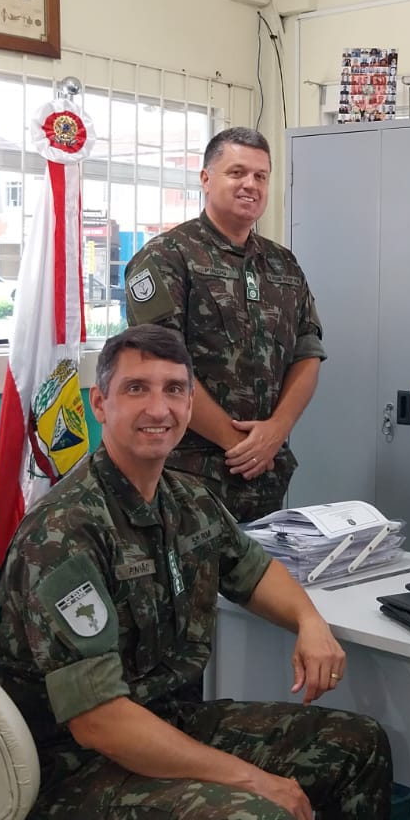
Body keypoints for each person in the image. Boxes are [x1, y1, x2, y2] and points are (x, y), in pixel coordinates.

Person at [0, 325, 392, 820]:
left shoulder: (186, 498)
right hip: (69, 777)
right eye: (137, 389)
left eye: (175, 389)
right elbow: (101, 720)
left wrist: (310, 621)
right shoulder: (64, 535)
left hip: (160, 724)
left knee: (356, 747)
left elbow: (255, 572)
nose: (160, 408)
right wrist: (251, 778)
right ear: (100, 404)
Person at [122, 127, 323, 523]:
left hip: (265, 477)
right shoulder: (167, 258)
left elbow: (308, 352)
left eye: (260, 176)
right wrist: (241, 446)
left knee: (260, 583)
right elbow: (161, 369)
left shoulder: (283, 264)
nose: (250, 185)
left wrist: (276, 431)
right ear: (206, 178)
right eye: (237, 172)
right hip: (187, 479)